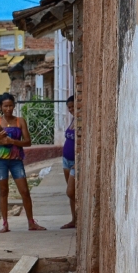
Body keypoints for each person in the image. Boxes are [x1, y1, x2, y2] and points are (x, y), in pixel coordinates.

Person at [0, 92, 45, 233]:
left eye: (11, 105)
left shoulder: (20, 121)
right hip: (0, 161)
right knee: (3, 191)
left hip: (16, 160)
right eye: (5, 106)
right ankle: (5, 223)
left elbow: (28, 142)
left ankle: (31, 222)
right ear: (0, 107)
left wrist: (13, 142)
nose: (9, 109)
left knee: (24, 191)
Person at [61, 95, 76, 229]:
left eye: (73, 106)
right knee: (71, 194)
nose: (71, 109)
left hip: (74, 163)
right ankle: (74, 219)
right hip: (66, 161)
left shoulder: (82, 121)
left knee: (71, 192)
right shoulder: (73, 120)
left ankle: (81, 214)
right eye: (69, 107)